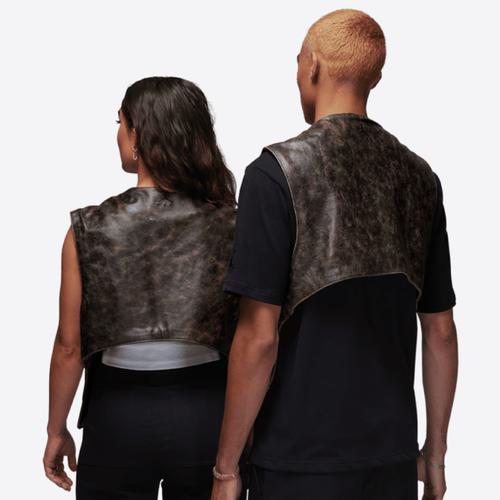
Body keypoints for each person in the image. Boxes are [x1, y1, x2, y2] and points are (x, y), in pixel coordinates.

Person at [210, 9, 458, 500]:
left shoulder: (275, 173)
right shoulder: (419, 177)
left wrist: (226, 467)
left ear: (312, 66)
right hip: (390, 460)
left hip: (295, 461)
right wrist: (434, 454)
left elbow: (258, 337)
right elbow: (441, 331)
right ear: (374, 78)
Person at [43, 76, 246, 500]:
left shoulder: (88, 228)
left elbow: (69, 347)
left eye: (120, 123)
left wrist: (55, 429)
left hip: (116, 418)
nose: (118, 133)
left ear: (137, 136)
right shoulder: (233, 224)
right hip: (206, 416)